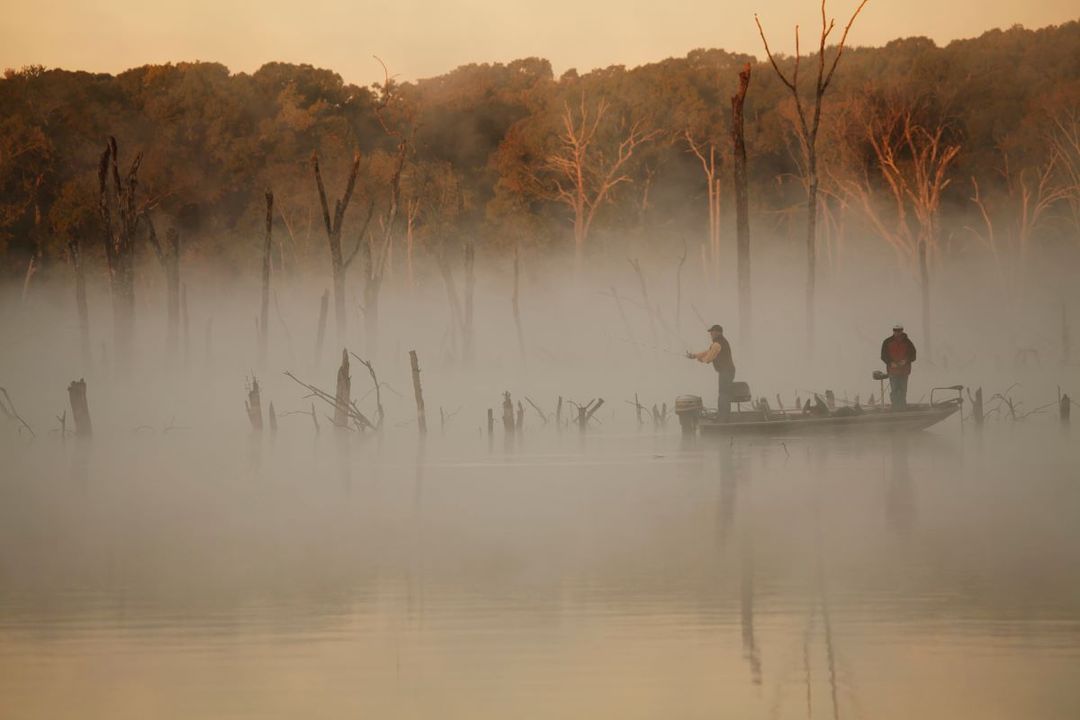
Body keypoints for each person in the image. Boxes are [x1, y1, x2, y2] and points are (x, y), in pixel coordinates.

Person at [687, 324, 736, 420]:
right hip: (727, 371)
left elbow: (708, 358)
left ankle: (723, 417)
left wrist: (701, 360)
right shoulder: (718, 343)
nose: (710, 334)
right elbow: (707, 352)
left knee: (723, 394)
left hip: (726, 371)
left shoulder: (717, 344)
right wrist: (694, 356)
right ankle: (724, 416)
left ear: (718, 332)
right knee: (724, 393)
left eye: (712, 332)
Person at [880, 323, 917, 410]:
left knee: (903, 391)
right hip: (893, 371)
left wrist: (906, 360)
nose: (897, 332)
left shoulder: (908, 342)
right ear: (893, 331)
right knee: (894, 391)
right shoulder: (887, 342)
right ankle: (895, 408)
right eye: (895, 330)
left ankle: (902, 408)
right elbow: (883, 356)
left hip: (904, 371)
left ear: (902, 331)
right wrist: (890, 363)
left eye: (899, 330)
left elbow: (913, 355)